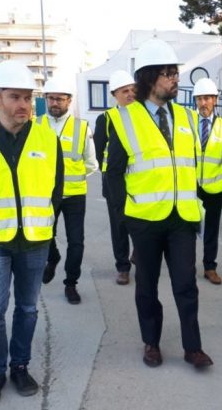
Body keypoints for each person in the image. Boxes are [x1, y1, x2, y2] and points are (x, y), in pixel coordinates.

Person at [0, 60, 63, 405]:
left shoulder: (47, 139)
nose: (23, 105)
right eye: (15, 97)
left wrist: (46, 230)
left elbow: (55, 189)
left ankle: (20, 366)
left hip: (34, 240)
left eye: (28, 97)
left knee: (28, 309)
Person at [106, 38, 213, 369]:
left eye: (175, 73)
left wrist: (198, 209)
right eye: (168, 74)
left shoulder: (186, 116)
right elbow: (114, 177)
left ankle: (192, 348)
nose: (175, 80)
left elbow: (192, 166)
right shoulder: (124, 118)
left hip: (182, 218)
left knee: (186, 285)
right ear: (150, 77)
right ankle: (151, 343)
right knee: (147, 287)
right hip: (145, 220)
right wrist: (126, 221)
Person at [37, 77, 97, 304]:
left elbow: (91, 163)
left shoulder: (82, 128)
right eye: (51, 98)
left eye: (59, 99)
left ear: (69, 101)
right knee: (45, 236)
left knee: (76, 241)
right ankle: (53, 259)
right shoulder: (35, 125)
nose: (54, 103)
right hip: (44, 194)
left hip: (74, 195)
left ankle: (71, 283)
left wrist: (72, 180)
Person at [94, 70, 136, 285]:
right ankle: (122, 267)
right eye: (124, 91)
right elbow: (98, 151)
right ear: (115, 94)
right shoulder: (107, 119)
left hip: (141, 182)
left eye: (132, 90)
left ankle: (139, 251)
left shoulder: (144, 116)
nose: (130, 94)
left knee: (142, 222)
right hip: (114, 184)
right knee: (119, 226)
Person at [193, 77, 222, 285]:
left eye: (207, 98)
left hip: (216, 185)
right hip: (191, 184)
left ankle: (209, 267)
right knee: (187, 227)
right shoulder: (187, 123)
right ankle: (185, 264)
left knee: (211, 228)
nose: (203, 103)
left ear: (215, 100)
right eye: (199, 99)